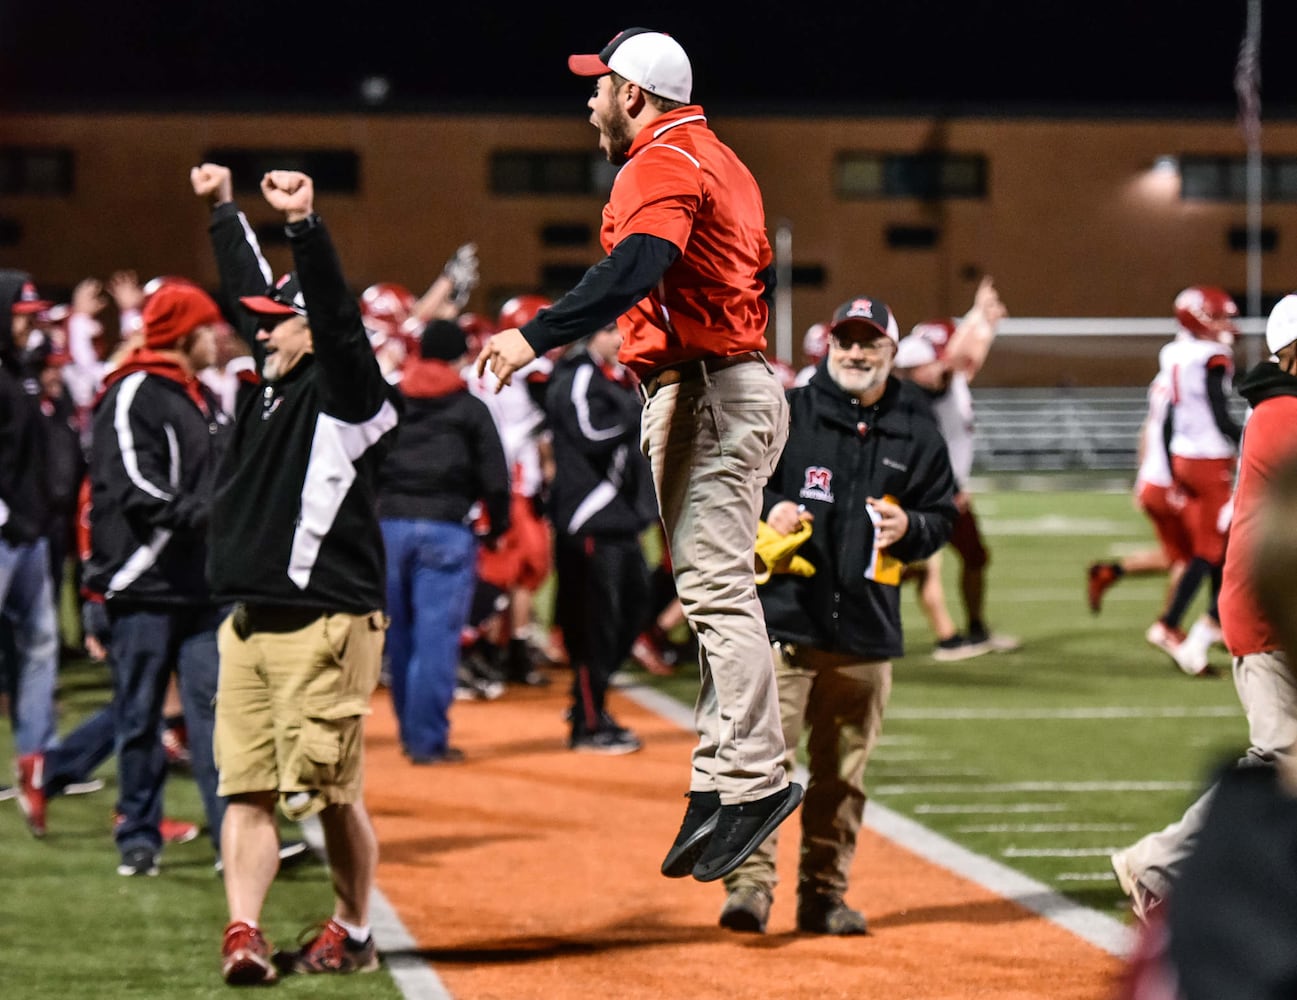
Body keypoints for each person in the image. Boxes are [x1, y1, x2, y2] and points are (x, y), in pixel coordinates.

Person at [476, 27, 803, 883]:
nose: (588, 104)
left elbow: (637, 266)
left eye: (598, 88)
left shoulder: (658, 160)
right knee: (704, 591)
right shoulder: (718, 156)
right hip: (723, 383)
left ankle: (754, 778)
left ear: (633, 93)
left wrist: (532, 336)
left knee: (715, 590)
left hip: (707, 388)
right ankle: (715, 777)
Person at [191, 162, 400, 984]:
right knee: (245, 789)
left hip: (328, 620)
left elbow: (338, 323)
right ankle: (243, 932)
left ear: (314, 330)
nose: (262, 333)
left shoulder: (350, 394)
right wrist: (220, 210)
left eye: (280, 322)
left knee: (331, 792)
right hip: (248, 621)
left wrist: (306, 226)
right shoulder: (274, 383)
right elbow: (254, 290)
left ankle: (352, 926)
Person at [717, 294, 957, 934]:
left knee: (842, 780)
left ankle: (822, 896)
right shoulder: (789, 411)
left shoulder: (919, 428)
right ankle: (750, 887)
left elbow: (943, 517)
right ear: (830, 345)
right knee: (762, 765)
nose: (854, 352)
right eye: (845, 340)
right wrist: (768, 508)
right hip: (785, 622)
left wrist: (914, 526)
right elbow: (734, 479)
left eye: (869, 342)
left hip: (866, 630)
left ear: (891, 352)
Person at [1114, 301, 1297, 1000]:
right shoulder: (1281, 415)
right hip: (1266, 612)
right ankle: (1155, 865)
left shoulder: (1274, 407)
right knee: (1277, 755)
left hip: (1265, 606)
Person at [83, 277, 231, 875]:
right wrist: (212, 515)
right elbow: (132, 485)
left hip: (200, 586)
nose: (218, 339)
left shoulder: (200, 396)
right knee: (139, 717)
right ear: (187, 333)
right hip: (143, 584)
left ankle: (233, 841)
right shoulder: (133, 392)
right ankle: (138, 837)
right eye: (209, 329)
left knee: (217, 720)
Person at [377, 317, 510, 764]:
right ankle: (426, 740)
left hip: (389, 528)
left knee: (399, 639)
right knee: (436, 640)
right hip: (446, 529)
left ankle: (408, 731)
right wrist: (499, 526)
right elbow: (495, 475)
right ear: (458, 356)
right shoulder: (469, 406)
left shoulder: (391, 397)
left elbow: (364, 457)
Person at [546, 321, 658, 753]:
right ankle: (589, 724)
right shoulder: (578, 375)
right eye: (614, 330)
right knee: (596, 625)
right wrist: (641, 412)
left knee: (633, 613)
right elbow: (589, 433)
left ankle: (587, 705)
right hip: (590, 520)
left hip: (622, 520)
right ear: (593, 333)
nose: (622, 340)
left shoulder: (616, 379)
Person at [891, 277, 1018, 658]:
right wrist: (978, 317)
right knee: (909, 565)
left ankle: (973, 629)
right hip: (928, 492)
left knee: (973, 557)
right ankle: (946, 638)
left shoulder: (950, 378)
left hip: (948, 489)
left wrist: (985, 325)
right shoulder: (922, 389)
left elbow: (966, 359)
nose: (919, 370)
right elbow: (954, 360)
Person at [1144, 286, 1242, 676]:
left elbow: (1169, 417)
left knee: (1220, 543)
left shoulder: (1173, 353)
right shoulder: (1211, 357)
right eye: (1216, 316)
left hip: (1185, 456)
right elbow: (1219, 413)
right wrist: (1249, 438)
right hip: (1209, 458)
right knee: (1217, 548)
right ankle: (1173, 624)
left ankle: (1216, 623)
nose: (1224, 324)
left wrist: (1170, 467)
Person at [1, 270, 63, 835]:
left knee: (41, 646)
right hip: (5, 534)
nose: (32, 323)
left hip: (28, 535)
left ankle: (35, 762)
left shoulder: (22, 372)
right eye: (22, 314)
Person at [1087, 366, 1190, 617]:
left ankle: (1109, 573)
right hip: (1168, 482)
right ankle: (1168, 626)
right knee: (1192, 558)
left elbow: (1148, 429)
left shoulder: (1163, 382)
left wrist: (1141, 478)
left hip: (1155, 480)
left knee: (1178, 555)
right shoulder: (1186, 381)